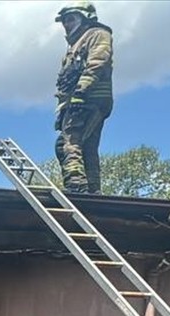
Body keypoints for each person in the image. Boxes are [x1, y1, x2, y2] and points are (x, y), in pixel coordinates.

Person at [53, 1, 113, 195]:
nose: (66, 24)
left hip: (88, 99)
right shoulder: (75, 45)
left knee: (68, 143)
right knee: (87, 146)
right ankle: (92, 189)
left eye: (71, 19)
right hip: (79, 101)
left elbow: (98, 61)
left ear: (85, 18)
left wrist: (81, 91)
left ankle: (76, 186)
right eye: (64, 21)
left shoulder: (97, 34)